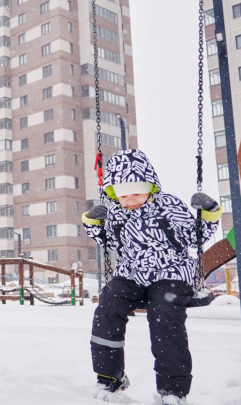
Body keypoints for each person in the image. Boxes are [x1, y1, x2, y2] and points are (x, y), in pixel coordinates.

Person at [82, 149, 221, 405]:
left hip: (171, 273)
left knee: (164, 314)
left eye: (136, 192)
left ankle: (173, 390)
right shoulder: (116, 212)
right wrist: (92, 223)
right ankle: (109, 377)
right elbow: (109, 241)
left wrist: (209, 212)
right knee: (107, 307)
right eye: (123, 195)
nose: (130, 199)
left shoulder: (168, 205)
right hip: (132, 274)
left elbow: (195, 237)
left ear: (150, 186)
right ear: (114, 193)